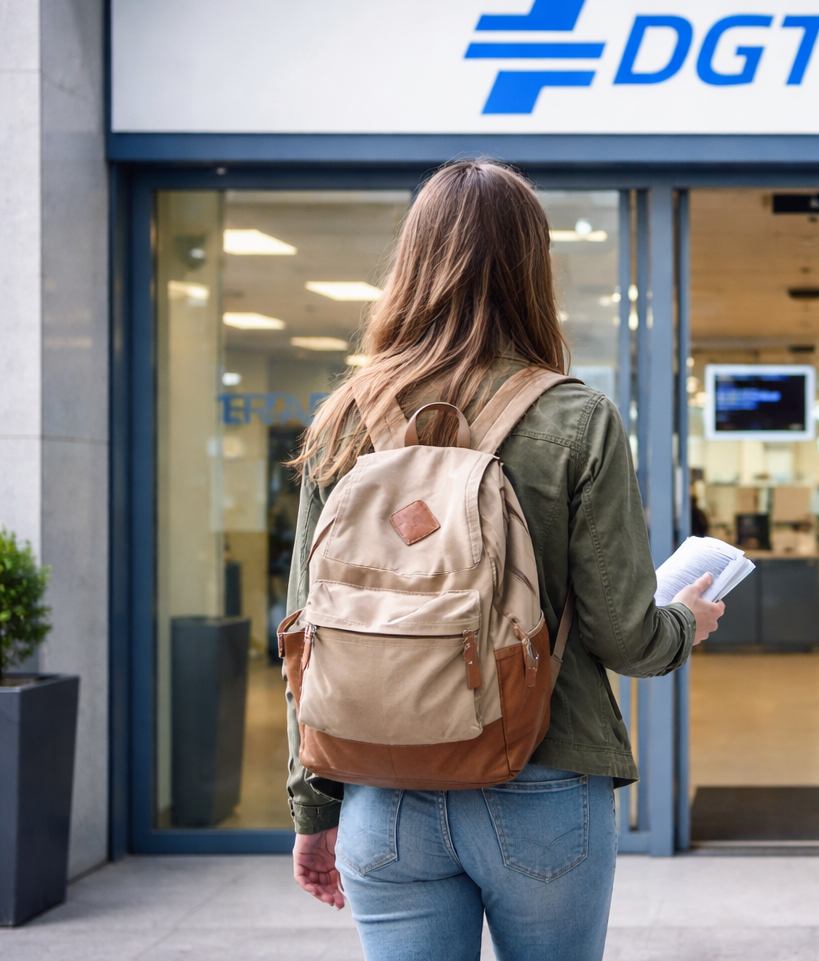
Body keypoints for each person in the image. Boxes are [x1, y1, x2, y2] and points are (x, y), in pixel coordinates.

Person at [283, 159, 725, 961]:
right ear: (533, 268)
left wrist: (315, 810)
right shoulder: (576, 418)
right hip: (543, 776)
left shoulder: (345, 418)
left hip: (382, 787)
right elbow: (627, 637)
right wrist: (686, 623)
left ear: (413, 261)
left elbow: (307, 637)